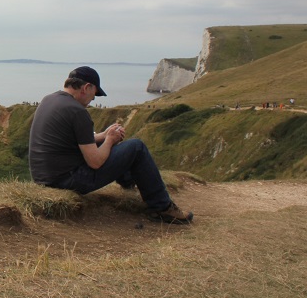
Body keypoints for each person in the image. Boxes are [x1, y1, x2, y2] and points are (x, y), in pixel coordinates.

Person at [28, 66, 193, 224]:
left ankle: (129, 185)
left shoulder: (49, 100)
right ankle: (162, 208)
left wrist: (104, 136)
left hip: (44, 177)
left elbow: (72, 140)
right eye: (95, 94)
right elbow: (95, 162)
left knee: (119, 148)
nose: (93, 99)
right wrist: (110, 140)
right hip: (67, 180)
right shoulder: (77, 112)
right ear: (86, 87)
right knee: (136, 147)